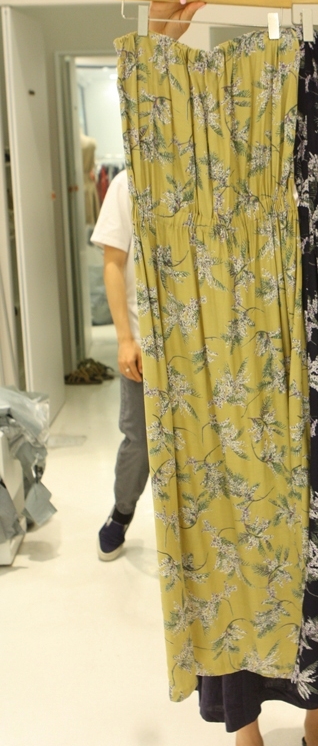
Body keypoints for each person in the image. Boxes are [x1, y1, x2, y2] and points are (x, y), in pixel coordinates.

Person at [130, 0, 318, 746]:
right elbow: (162, 129)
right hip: (231, 370)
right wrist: (163, 34)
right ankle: (245, 728)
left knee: (315, 546)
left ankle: (317, 718)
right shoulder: (210, 157)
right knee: (232, 534)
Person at [91, 170, 151, 561]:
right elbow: (113, 262)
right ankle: (121, 513)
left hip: (201, 342)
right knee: (138, 439)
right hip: (144, 344)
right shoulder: (127, 183)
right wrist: (125, 339)